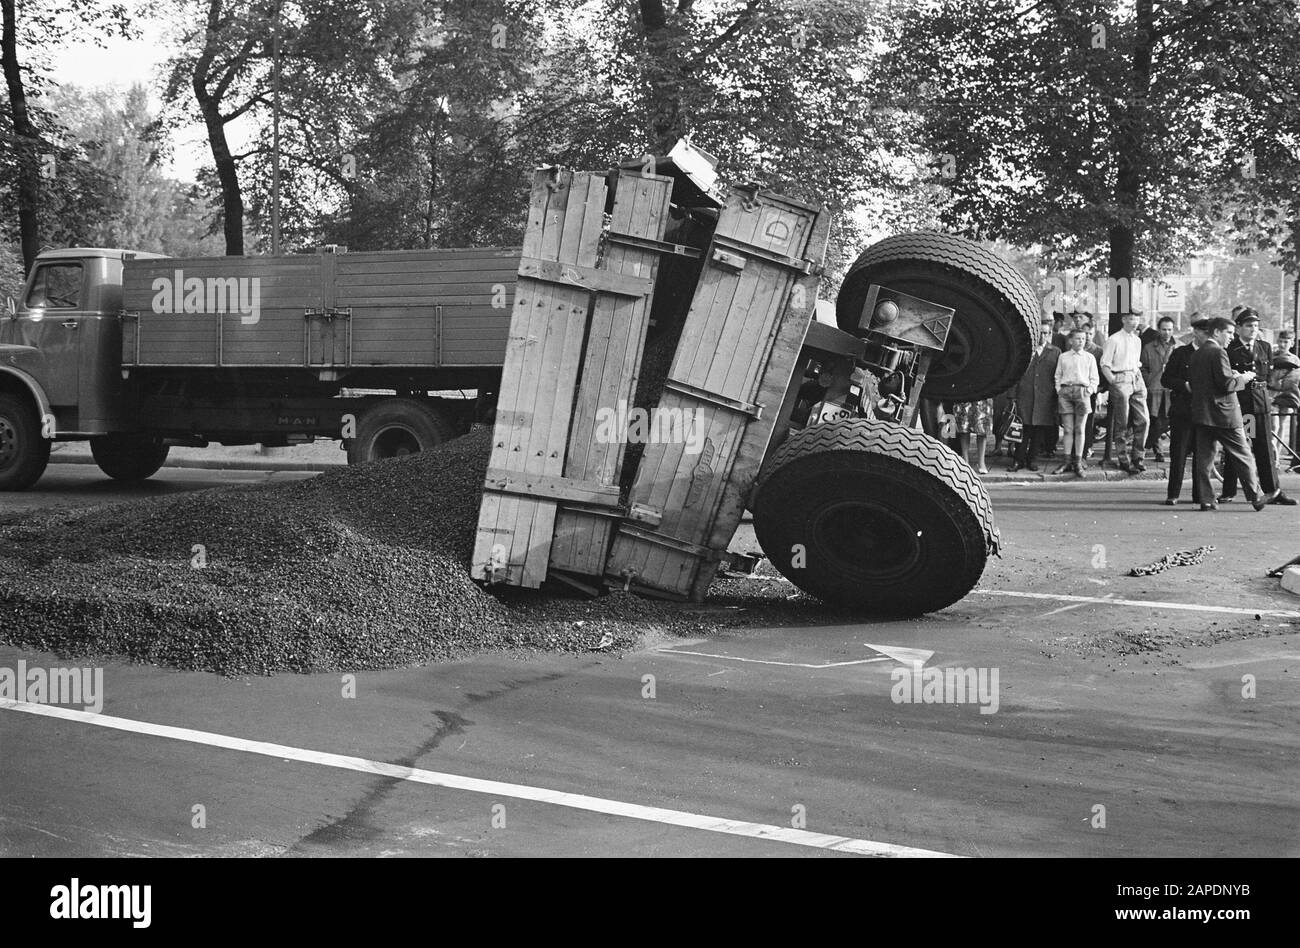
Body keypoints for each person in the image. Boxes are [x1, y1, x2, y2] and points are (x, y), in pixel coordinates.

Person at [1189, 316, 1267, 511]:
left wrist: (1230, 375)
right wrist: (1243, 378)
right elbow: (1226, 385)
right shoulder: (1219, 353)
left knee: (1204, 460)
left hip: (1202, 413)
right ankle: (1256, 497)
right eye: (1229, 333)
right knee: (1243, 455)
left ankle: (1207, 499)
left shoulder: (1197, 354)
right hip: (1225, 414)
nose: (1232, 337)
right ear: (1217, 332)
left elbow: (1203, 382)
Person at [1219, 308, 1295, 505]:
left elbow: (1267, 376)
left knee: (1264, 448)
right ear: (1238, 328)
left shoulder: (1264, 347)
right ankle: (1229, 490)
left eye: (1255, 325)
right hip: (1243, 405)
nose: (1253, 329)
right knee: (1239, 446)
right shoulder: (1230, 348)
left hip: (1260, 404)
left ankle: (1273, 491)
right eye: (1248, 326)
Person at [1161, 317, 1209, 505]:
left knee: (1202, 455)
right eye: (1205, 333)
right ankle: (1173, 494)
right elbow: (1166, 379)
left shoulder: (1213, 354)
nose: (1208, 336)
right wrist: (1184, 385)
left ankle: (1200, 494)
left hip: (1204, 411)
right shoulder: (1181, 353)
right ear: (1195, 333)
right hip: (1183, 410)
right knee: (1178, 453)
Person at [1100, 309, 1150, 473]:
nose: (1134, 322)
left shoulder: (1137, 340)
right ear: (1123, 320)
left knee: (1144, 420)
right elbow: (1105, 364)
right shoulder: (1113, 340)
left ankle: (1138, 456)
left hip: (1136, 378)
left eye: (1136, 319)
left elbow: (1136, 362)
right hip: (1120, 378)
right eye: (1130, 319)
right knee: (1122, 423)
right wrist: (1113, 382)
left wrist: (1138, 378)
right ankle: (1123, 459)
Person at [1009, 321, 1060, 472]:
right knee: (1021, 429)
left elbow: (1058, 375)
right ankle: (1018, 460)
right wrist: (1012, 396)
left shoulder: (1055, 352)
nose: (1042, 336)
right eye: (1039, 332)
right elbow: (1015, 374)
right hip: (1025, 396)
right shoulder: (1025, 350)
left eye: (1045, 333)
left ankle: (1032, 459)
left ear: (1049, 334)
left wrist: (1056, 398)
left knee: (1038, 432)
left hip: (1045, 397)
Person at [1053, 327, 1098, 476]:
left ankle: (1078, 462)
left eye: (1083, 339)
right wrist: (1059, 389)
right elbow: (1058, 375)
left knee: (1080, 429)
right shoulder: (1063, 356)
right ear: (1071, 340)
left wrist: (1089, 390)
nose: (1081, 341)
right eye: (1078, 338)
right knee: (1067, 429)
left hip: (1082, 392)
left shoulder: (1089, 357)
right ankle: (1066, 461)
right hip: (1066, 392)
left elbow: (1094, 379)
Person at [1141, 316, 1177, 463]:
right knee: (1154, 420)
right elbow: (1142, 367)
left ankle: (1172, 450)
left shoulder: (1178, 347)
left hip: (1172, 389)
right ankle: (1158, 451)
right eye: (1163, 329)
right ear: (1158, 329)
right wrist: (1149, 380)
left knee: (1170, 421)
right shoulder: (1149, 347)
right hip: (1154, 389)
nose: (1166, 332)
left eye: (1169, 329)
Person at [955, 398, 993, 474]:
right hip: (964, 392)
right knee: (964, 426)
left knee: (982, 427)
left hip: (983, 393)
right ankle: (965, 462)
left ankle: (981, 462)